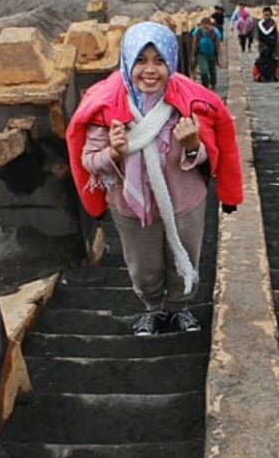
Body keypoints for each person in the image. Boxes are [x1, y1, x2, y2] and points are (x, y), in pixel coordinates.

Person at [67, 22, 243, 336]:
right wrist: (114, 153)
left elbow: (209, 157)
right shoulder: (106, 105)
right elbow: (89, 160)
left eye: (159, 61)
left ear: (171, 62)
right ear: (127, 60)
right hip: (131, 207)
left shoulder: (188, 103)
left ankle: (180, 307)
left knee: (185, 257)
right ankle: (153, 309)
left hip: (185, 201)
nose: (150, 70)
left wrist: (192, 146)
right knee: (143, 267)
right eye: (141, 60)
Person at [190, 16, 223, 90]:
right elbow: (194, 44)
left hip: (212, 54)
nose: (205, 27)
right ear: (201, 25)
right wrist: (193, 56)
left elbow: (218, 45)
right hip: (201, 54)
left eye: (207, 24)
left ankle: (213, 83)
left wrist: (220, 59)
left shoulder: (215, 32)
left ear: (210, 25)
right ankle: (205, 86)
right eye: (204, 25)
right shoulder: (198, 32)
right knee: (203, 70)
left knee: (212, 70)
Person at [255, 7, 279, 82]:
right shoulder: (260, 23)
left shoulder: (273, 22)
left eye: (268, 15)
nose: (267, 17)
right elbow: (265, 33)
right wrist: (272, 28)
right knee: (263, 61)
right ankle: (263, 76)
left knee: (271, 61)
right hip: (263, 46)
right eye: (265, 15)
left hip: (272, 46)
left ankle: (271, 76)